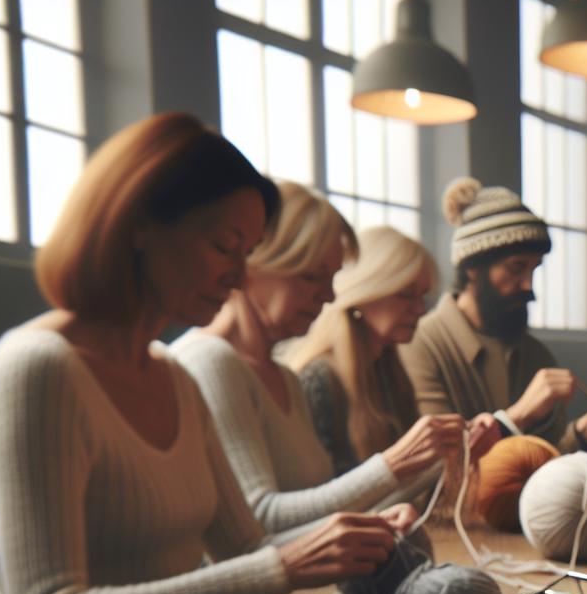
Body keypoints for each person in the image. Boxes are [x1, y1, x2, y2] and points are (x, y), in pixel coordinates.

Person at [0, 115, 398, 594]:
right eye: (224, 245)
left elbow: (244, 544)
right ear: (138, 224)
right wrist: (284, 566)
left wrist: (350, 541)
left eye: (248, 252)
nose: (239, 273)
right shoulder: (38, 371)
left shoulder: (172, 376)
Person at [172, 186, 464, 534]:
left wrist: (394, 502)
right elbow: (259, 522)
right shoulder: (211, 360)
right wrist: (394, 464)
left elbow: (321, 512)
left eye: (331, 278)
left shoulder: (285, 378)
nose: (328, 296)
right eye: (311, 276)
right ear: (251, 263)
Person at [400, 177, 587, 458]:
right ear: (473, 268)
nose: (528, 285)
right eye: (516, 268)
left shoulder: (536, 355)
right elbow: (436, 465)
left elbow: (539, 463)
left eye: (534, 270)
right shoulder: (420, 346)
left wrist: (581, 435)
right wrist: (520, 415)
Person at [282, 225, 477, 501]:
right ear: (364, 292)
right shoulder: (317, 381)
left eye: (423, 296)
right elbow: (317, 501)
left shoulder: (389, 373)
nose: (420, 310)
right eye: (405, 295)